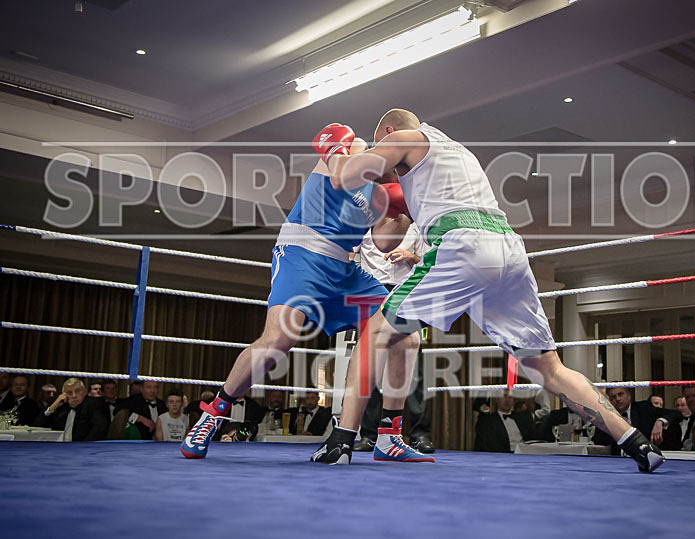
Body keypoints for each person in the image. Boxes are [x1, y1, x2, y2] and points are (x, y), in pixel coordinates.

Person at [310, 110, 664, 472]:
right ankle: (635, 442)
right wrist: (396, 208)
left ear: (389, 131)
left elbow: (343, 178)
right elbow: (386, 242)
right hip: (508, 250)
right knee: (548, 369)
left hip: (463, 245)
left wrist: (334, 150)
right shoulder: (456, 154)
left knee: (377, 333)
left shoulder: (406, 139)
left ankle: (341, 440)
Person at [181, 137, 426, 464]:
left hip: (345, 270)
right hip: (302, 253)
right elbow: (340, 177)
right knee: (279, 338)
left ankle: (389, 435)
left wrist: (407, 212)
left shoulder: (382, 196)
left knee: (406, 336)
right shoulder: (350, 144)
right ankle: (212, 414)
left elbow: (384, 243)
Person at [352, 221, 435, 454]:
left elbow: (429, 262)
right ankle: (368, 435)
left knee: (413, 367)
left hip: (405, 293)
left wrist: (411, 256)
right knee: (370, 366)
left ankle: (419, 434)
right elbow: (348, 254)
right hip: (371, 295)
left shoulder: (417, 226)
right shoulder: (364, 226)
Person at [591, 387, 677, 452]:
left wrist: (660, 422)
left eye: (620, 394)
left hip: (647, 455)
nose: (617, 399)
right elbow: (598, 440)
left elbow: (675, 413)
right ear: (609, 400)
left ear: (629, 396)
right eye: (613, 397)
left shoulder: (644, 408)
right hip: (618, 461)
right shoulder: (608, 417)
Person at [34, 378, 108, 441]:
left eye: (78, 391)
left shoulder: (94, 404)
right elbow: (38, 425)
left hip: (83, 450)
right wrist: (52, 407)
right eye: (69, 392)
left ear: (84, 391)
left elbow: (99, 429)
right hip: (58, 450)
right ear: (64, 395)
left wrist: (82, 448)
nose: (74, 396)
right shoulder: (61, 407)